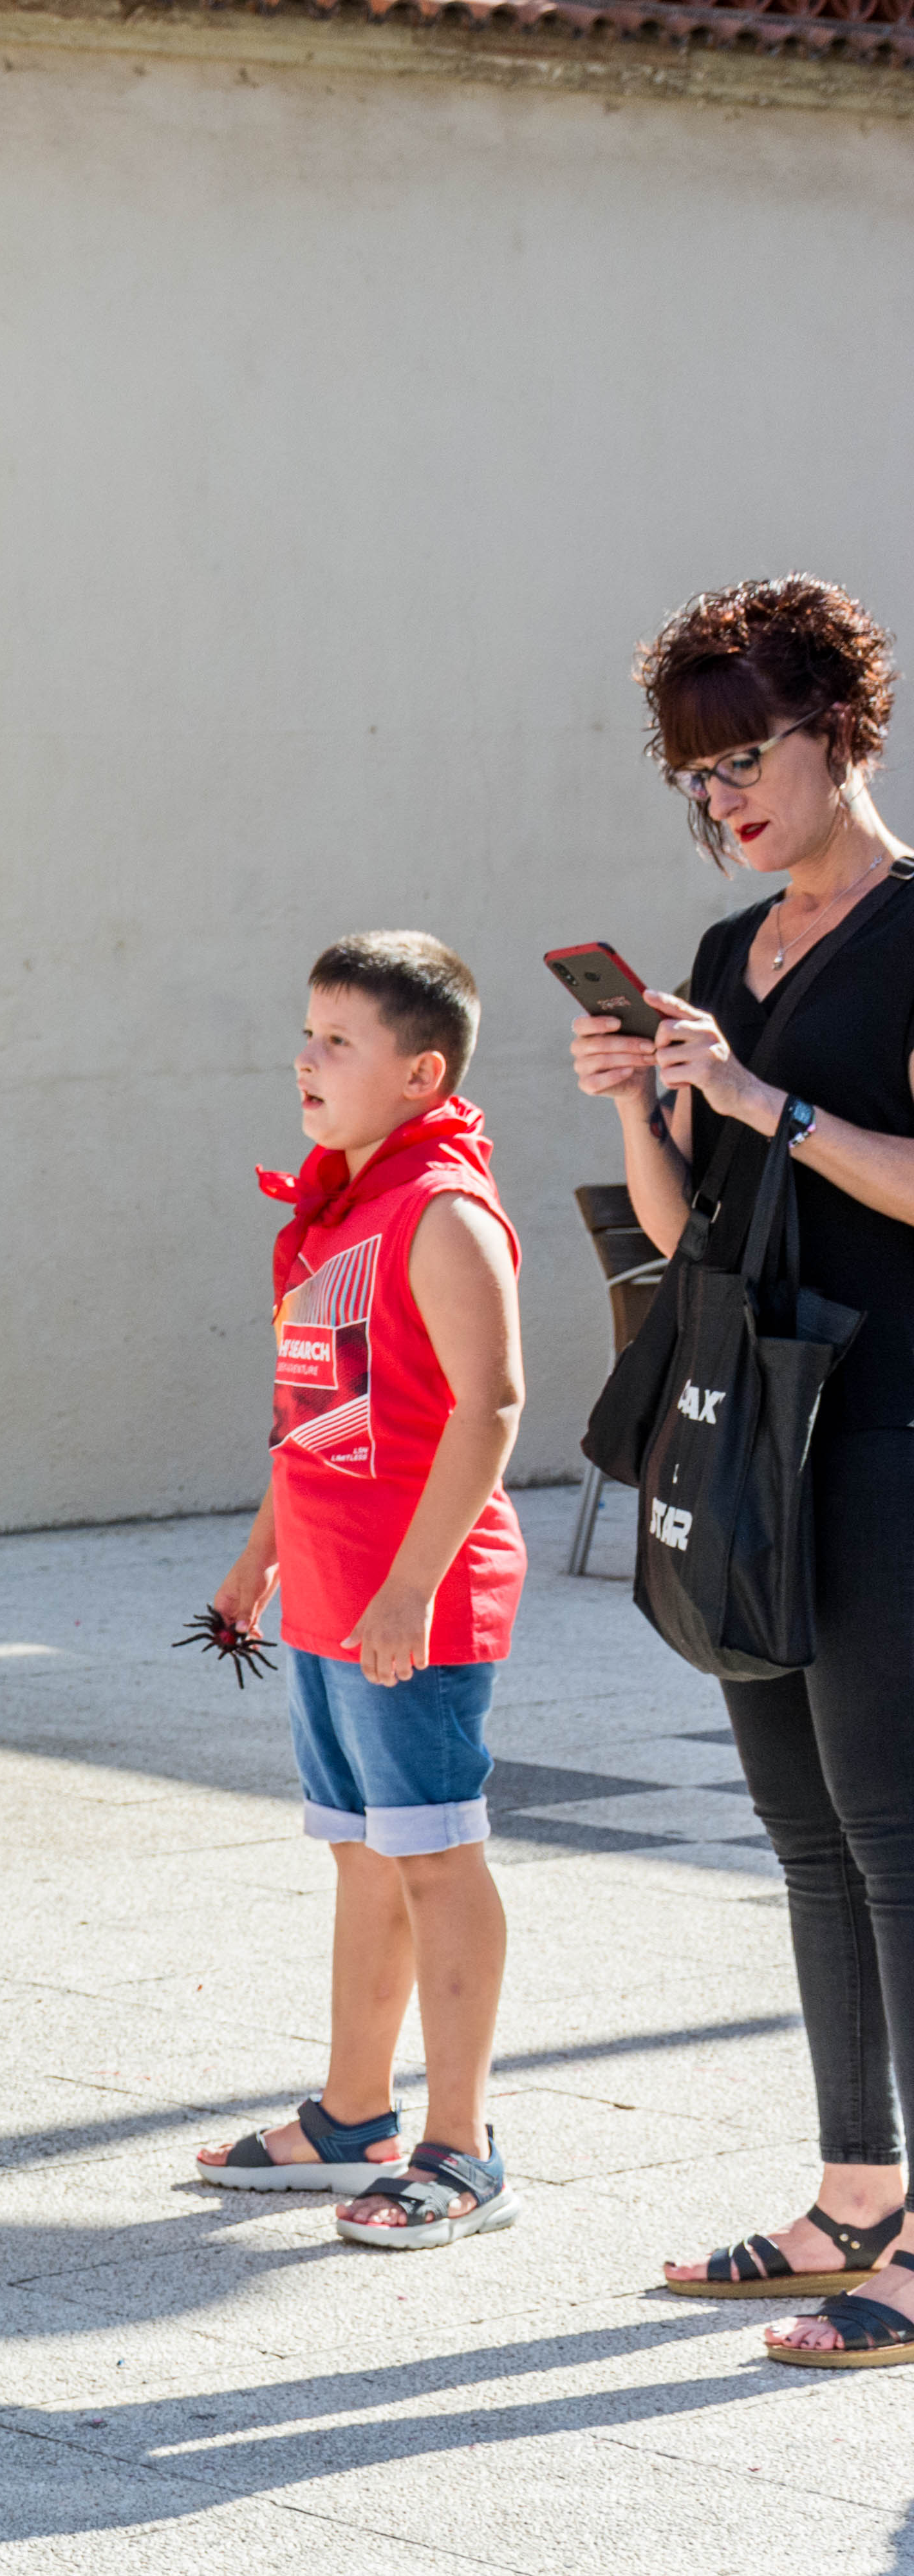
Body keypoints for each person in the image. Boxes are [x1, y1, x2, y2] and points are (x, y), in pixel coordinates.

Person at [581, 580, 914, 2366]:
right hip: (755, 1420)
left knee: (896, 1833)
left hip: (890, 1430)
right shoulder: (725, 959)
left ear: (841, 728)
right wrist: (649, 1100)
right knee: (800, 1830)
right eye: (696, 778)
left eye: (746, 757)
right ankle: (857, 2193)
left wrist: (769, 1103)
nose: (724, 800)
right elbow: (686, 1232)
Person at [192, 937, 525, 2251]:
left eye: (338, 1039)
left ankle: (461, 2142)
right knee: (361, 1847)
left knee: (435, 1849)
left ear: (420, 1069)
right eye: (308, 1031)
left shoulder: (441, 1209)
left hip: (409, 1601)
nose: (305, 1059)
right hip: (332, 1592)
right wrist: (257, 1560)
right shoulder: (339, 1208)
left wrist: (409, 1588)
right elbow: (314, 1414)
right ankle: (352, 2115)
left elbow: (494, 1406)